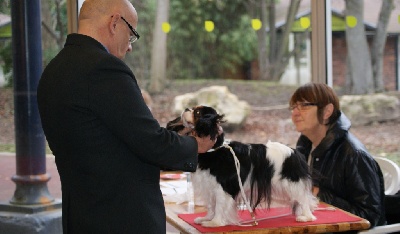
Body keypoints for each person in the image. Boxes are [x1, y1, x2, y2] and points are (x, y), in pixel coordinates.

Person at [37, 0, 216, 233]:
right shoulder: (104, 69)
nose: (130, 47)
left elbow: (114, 141)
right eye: (131, 33)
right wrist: (196, 145)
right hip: (121, 218)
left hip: (82, 216)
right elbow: (151, 143)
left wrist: (174, 135)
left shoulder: (53, 71)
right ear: (114, 22)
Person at [289, 82, 386, 228]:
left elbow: (371, 216)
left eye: (304, 105)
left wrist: (317, 193)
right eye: (294, 107)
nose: (295, 113)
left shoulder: (354, 154)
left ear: (327, 111)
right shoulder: (304, 146)